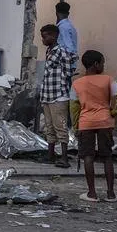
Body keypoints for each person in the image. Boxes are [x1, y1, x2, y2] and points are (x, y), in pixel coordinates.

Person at [70, 50, 117, 203]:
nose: (103, 65)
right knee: (107, 157)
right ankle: (111, 194)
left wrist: (76, 126)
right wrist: (115, 111)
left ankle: (92, 193)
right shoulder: (107, 79)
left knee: (88, 156)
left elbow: (74, 107)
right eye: (102, 62)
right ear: (96, 64)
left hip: (86, 122)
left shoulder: (77, 83)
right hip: (104, 121)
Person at [38, 24, 74, 169]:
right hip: (47, 94)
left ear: (54, 36)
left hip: (58, 96)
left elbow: (68, 71)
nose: (43, 39)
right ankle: (50, 155)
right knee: (49, 127)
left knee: (61, 127)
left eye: (45, 36)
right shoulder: (49, 51)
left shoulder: (62, 51)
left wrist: (63, 87)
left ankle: (64, 158)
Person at [56, 2, 79, 75]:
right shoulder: (70, 26)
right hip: (69, 63)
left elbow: (69, 47)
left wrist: (66, 64)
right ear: (68, 13)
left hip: (65, 64)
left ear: (56, 13)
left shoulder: (63, 27)